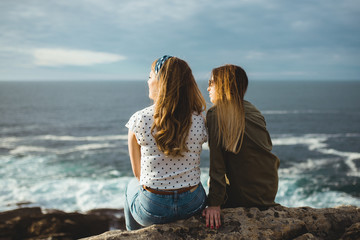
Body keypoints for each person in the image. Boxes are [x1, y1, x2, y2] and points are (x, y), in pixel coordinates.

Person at [124, 55, 208, 230]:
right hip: (192, 204)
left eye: (150, 77)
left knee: (130, 186)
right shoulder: (199, 119)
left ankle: (133, 235)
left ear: (161, 82)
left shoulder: (139, 119)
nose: (147, 81)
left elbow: (138, 174)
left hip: (153, 208)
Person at [202, 64, 280, 229]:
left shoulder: (215, 114)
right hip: (267, 190)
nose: (208, 87)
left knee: (208, 183)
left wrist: (214, 204)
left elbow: (217, 165)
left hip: (243, 198)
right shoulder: (253, 109)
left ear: (223, 86)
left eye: (211, 83)